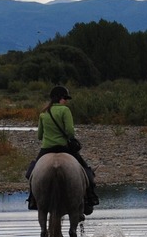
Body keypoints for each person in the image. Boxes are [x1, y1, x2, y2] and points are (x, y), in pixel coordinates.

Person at [27, 85, 99, 215]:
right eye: (65, 98)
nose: (66, 100)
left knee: (31, 173)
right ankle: (90, 198)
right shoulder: (65, 110)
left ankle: (32, 199)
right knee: (87, 171)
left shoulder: (43, 113)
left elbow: (39, 136)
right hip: (64, 148)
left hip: (47, 149)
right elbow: (70, 132)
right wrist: (67, 137)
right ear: (60, 98)